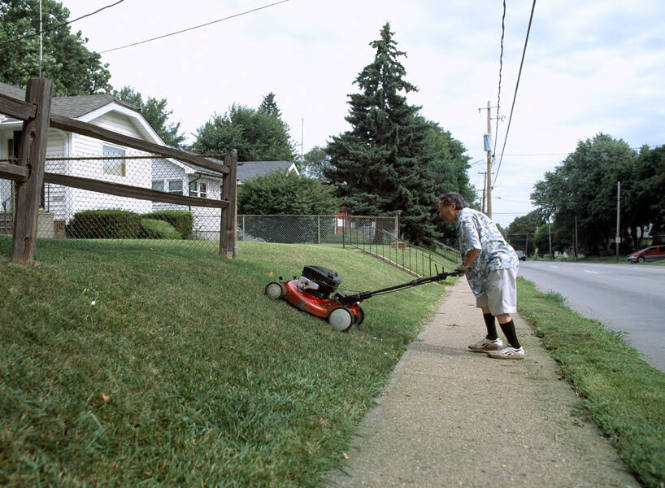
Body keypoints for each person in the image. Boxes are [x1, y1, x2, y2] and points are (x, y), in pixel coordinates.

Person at [438, 192, 525, 359]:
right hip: (489, 266)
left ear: (452, 206)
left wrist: (464, 265)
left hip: (499, 263)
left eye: (441, 208)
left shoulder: (465, 218)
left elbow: (475, 247)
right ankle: (492, 339)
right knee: (485, 301)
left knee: (500, 307)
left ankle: (516, 348)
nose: (440, 213)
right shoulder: (469, 215)